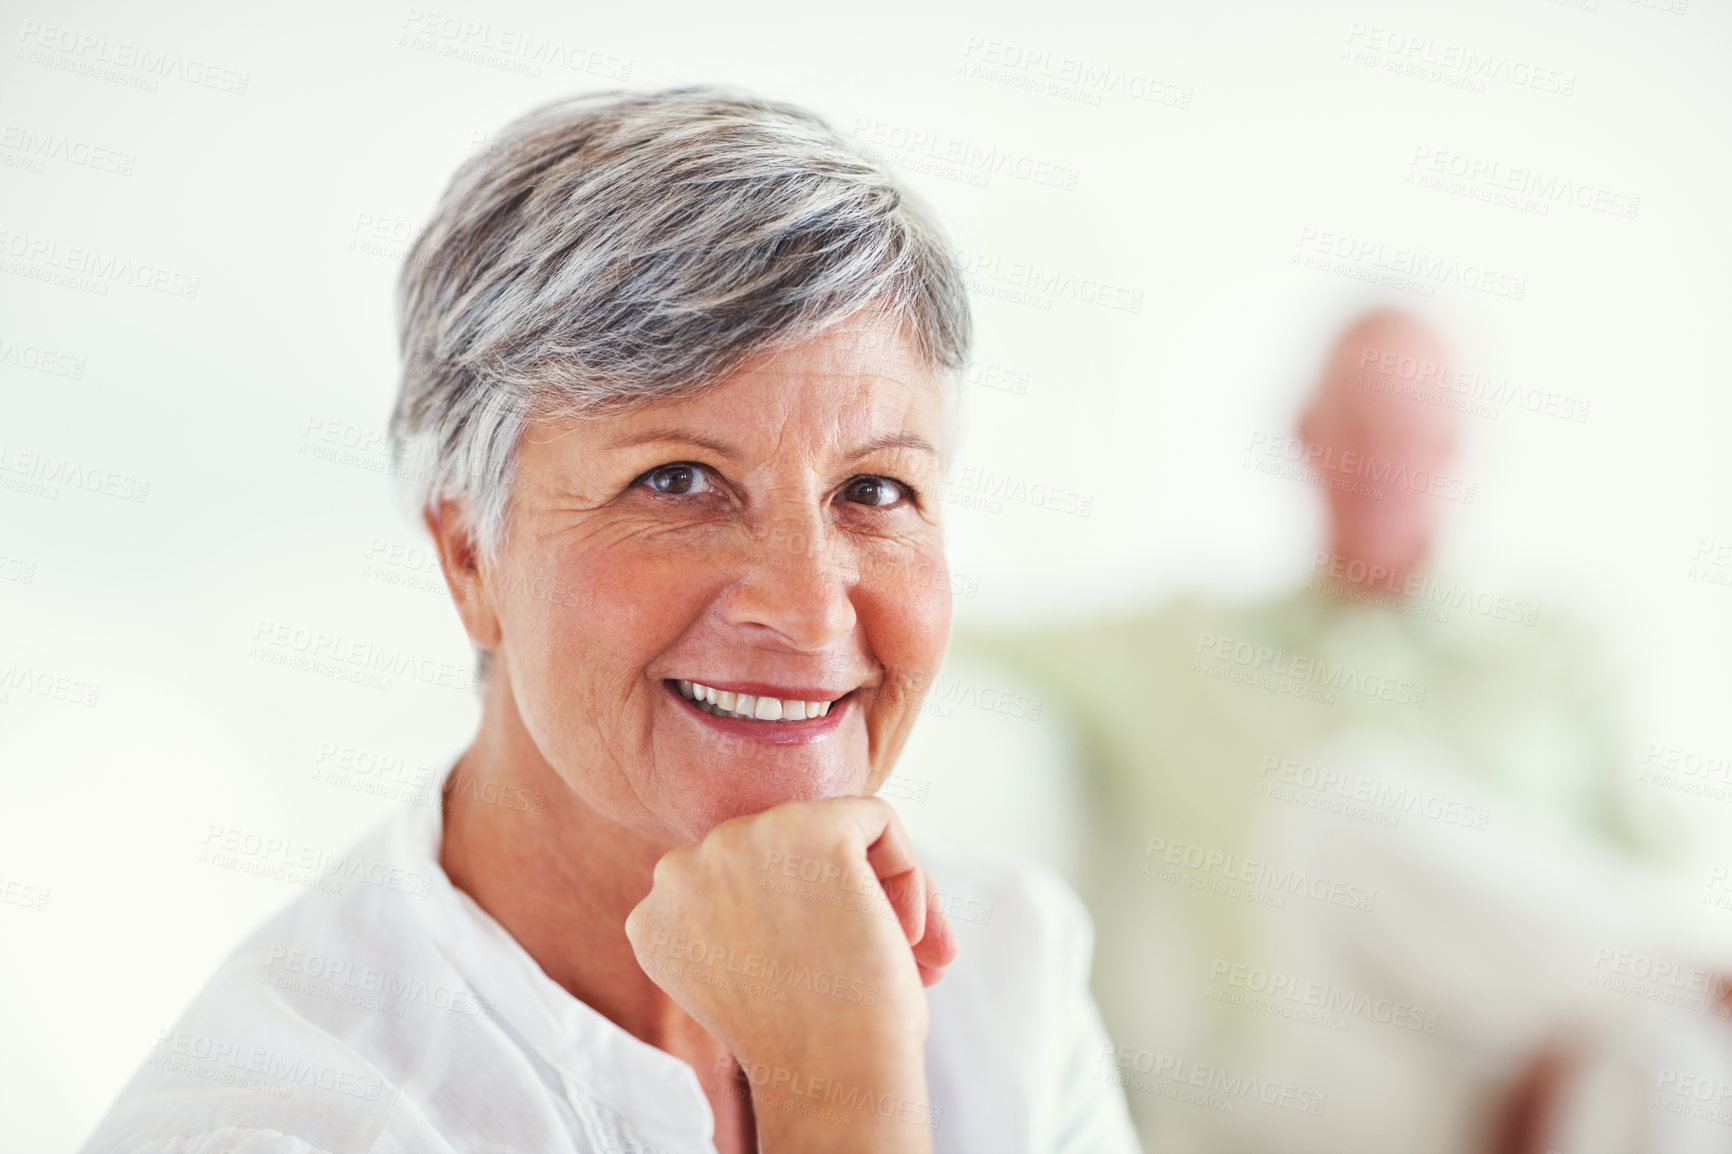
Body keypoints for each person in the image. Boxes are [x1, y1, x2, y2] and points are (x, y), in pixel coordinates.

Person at [79, 88, 1139, 1154]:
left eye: (873, 490)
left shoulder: (1006, 967)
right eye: (678, 479)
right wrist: (841, 1094)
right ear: (470, 559)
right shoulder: (283, 1124)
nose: (811, 606)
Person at [949, 309, 1662, 1151]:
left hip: (1557, 1075)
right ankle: (1696, 980)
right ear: (1304, 438)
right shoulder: (1184, 647)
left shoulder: (1562, 652)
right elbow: (954, 629)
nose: (1379, 460)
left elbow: (1656, 869)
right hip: (1313, 1091)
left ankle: (1681, 993)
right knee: (1345, 807)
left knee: (1658, 1062)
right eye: (1354, 425)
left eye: (1409, 431)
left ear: (1455, 451)